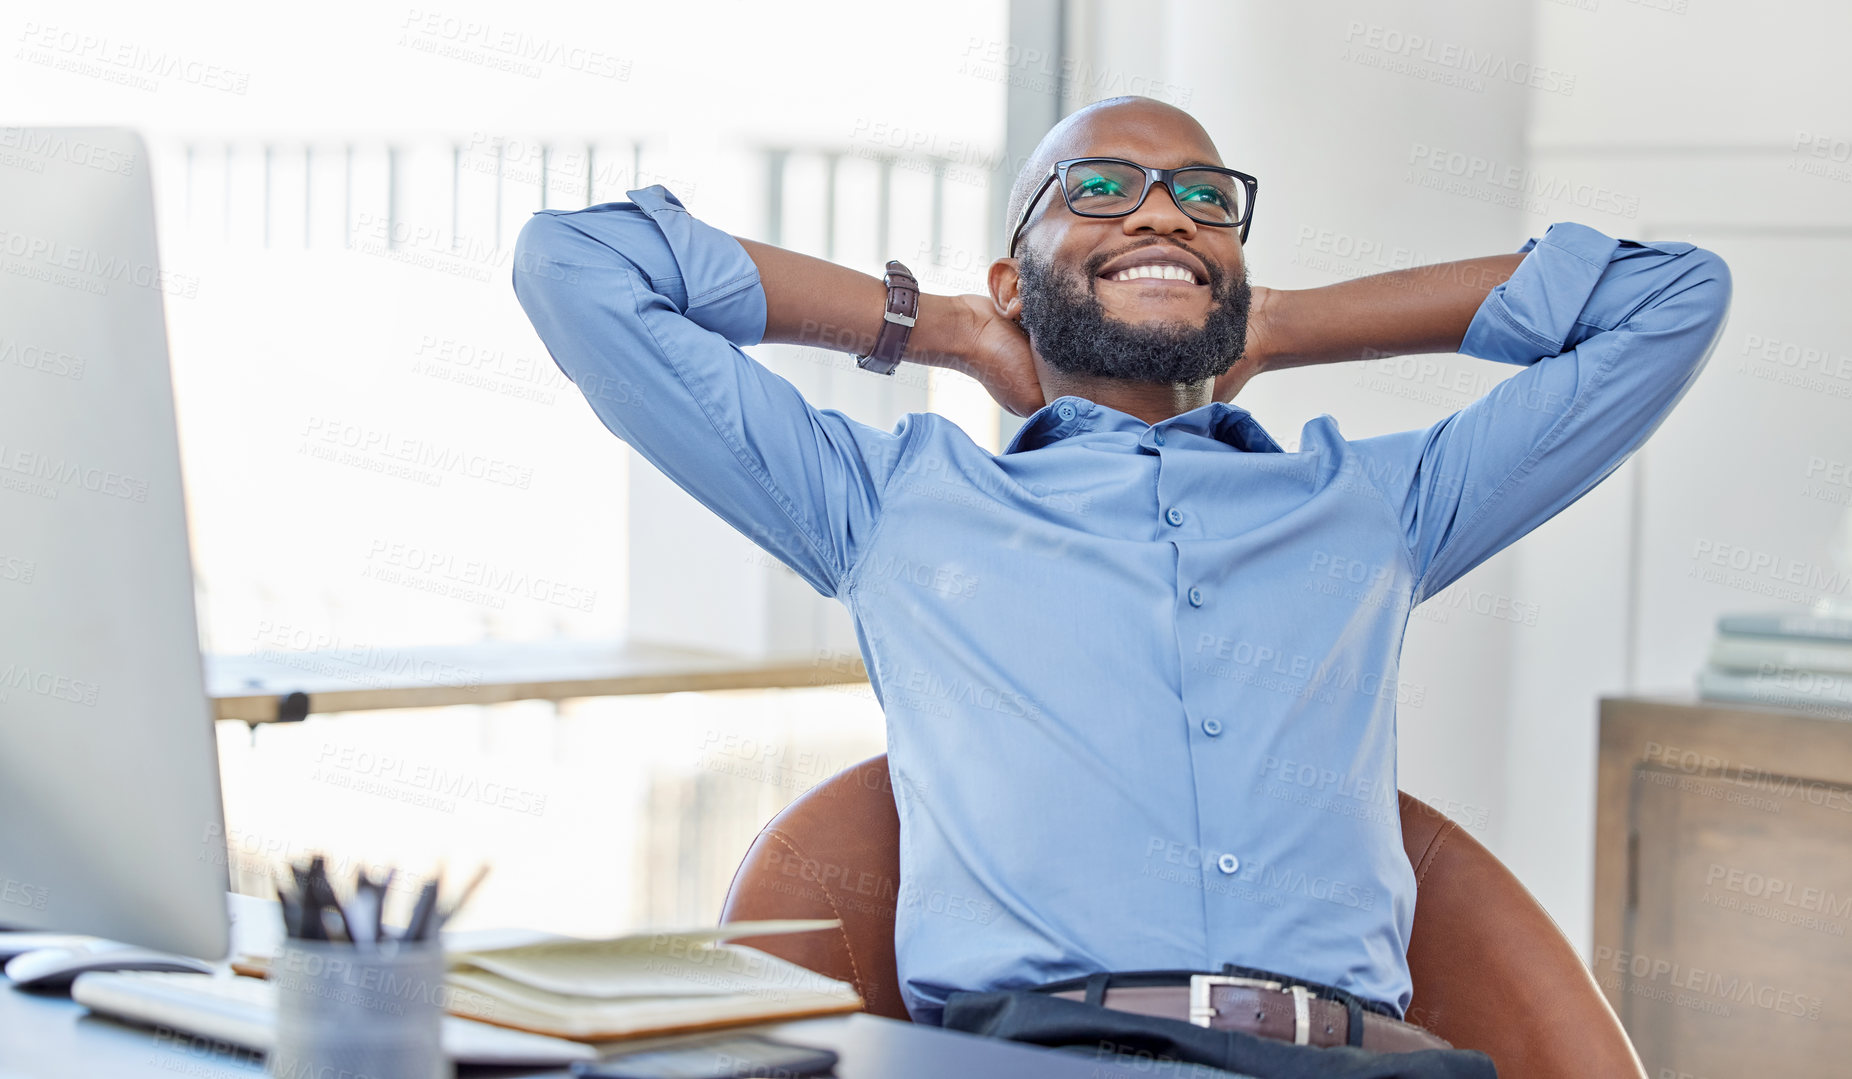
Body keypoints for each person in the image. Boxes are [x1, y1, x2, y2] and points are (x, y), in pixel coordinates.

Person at [511, 96, 1729, 1075]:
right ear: (1012, 275)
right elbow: (580, 266)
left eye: (1207, 201)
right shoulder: (892, 502)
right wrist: (932, 327)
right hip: (1046, 1048)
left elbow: (1668, 298)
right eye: (1099, 188)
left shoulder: (1376, 507)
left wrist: (1281, 324)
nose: (1165, 214)